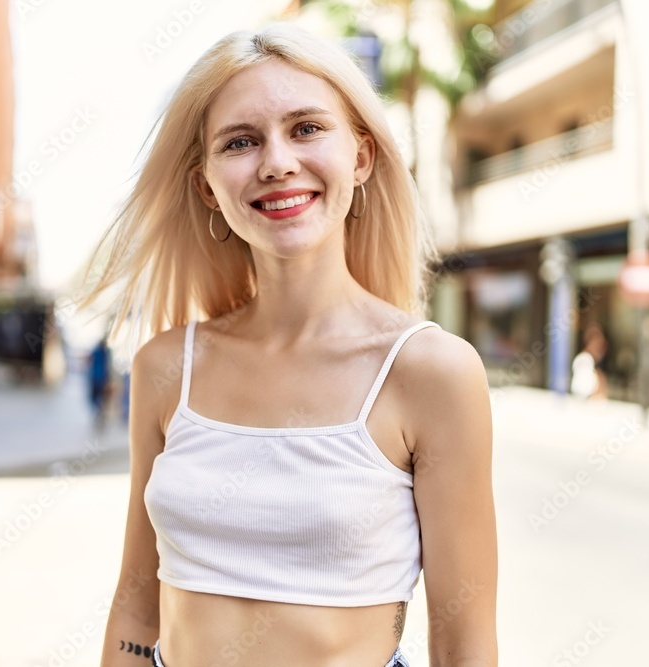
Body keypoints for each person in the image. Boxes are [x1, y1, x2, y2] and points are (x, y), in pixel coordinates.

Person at [79, 24, 497, 667]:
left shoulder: (430, 372)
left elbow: (464, 644)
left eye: (305, 128)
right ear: (207, 185)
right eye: (240, 142)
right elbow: (137, 606)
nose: (276, 162)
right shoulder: (165, 367)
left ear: (361, 159)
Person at [89, 335, 113, 429]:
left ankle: (99, 410)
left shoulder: (96, 350)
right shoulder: (105, 352)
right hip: (101, 377)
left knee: (97, 396)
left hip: (96, 377)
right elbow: (108, 366)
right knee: (102, 397)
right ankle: (100, 411)